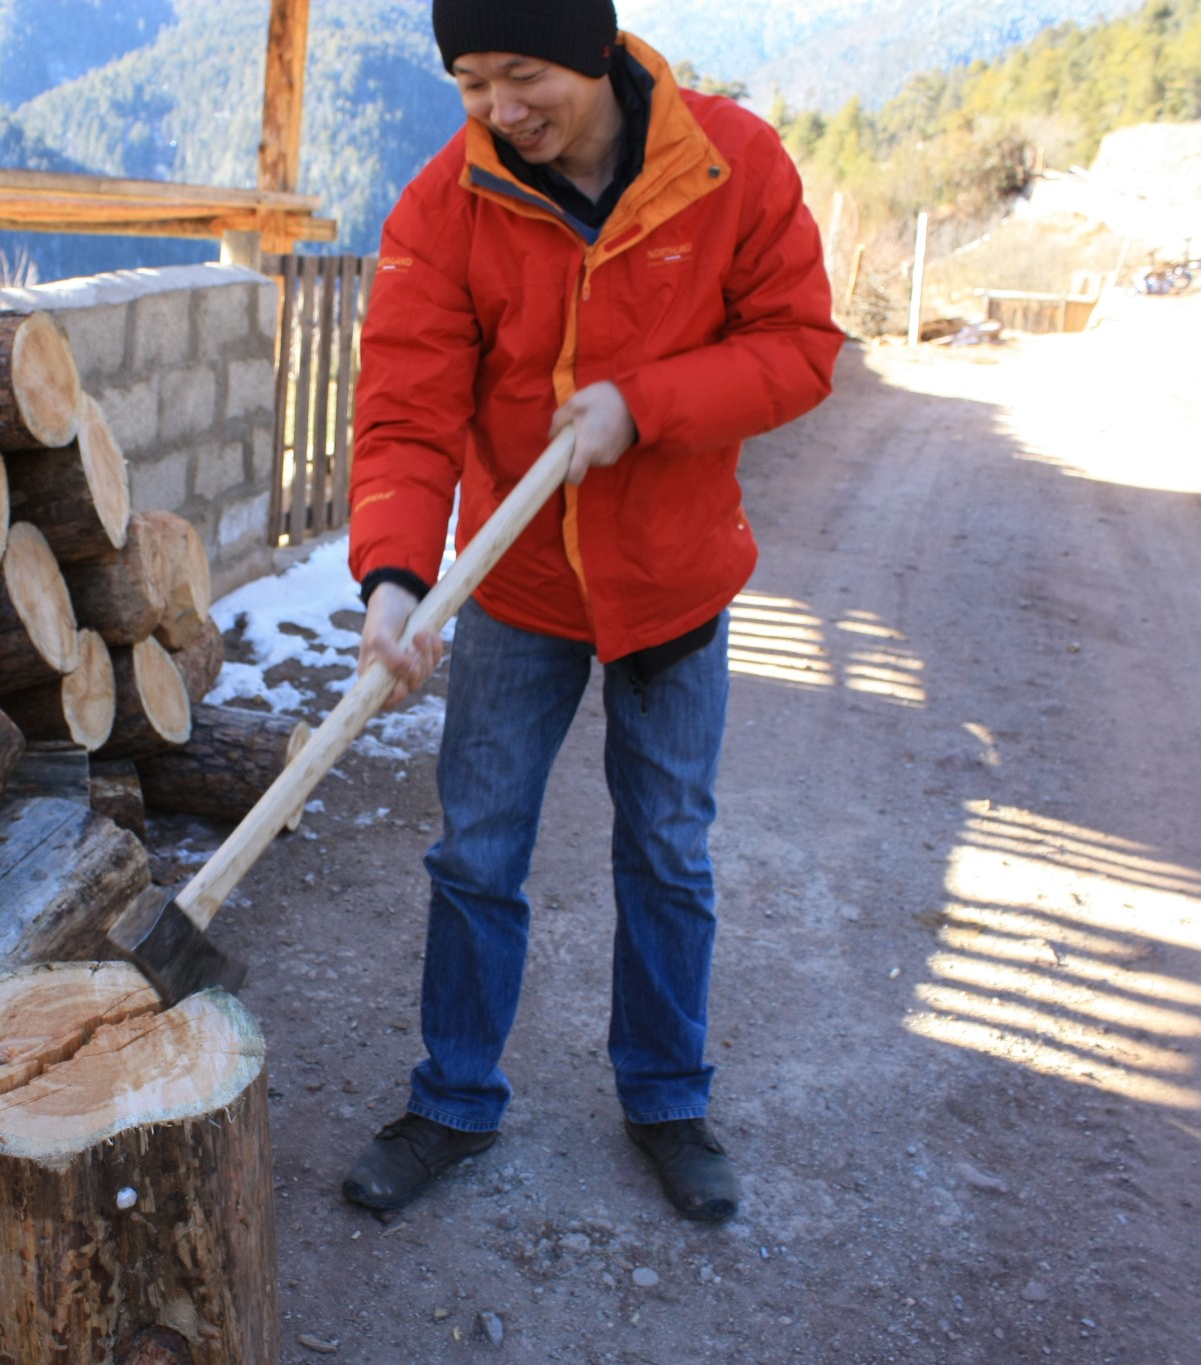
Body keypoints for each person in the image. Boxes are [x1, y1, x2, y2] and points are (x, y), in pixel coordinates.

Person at [339, 0, 843, 1224]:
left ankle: (667, 1098)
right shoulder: (444, 204)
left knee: (666, 849)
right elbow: (404, 411)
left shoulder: (728, 166)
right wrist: (395, 578)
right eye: (469, 81)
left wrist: (645, 403)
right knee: (475, 852)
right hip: (513, 590)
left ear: (593, 52)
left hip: (671, 580)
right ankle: (453, 1100)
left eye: (521, 74)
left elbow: (800, 346)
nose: (499, 110)